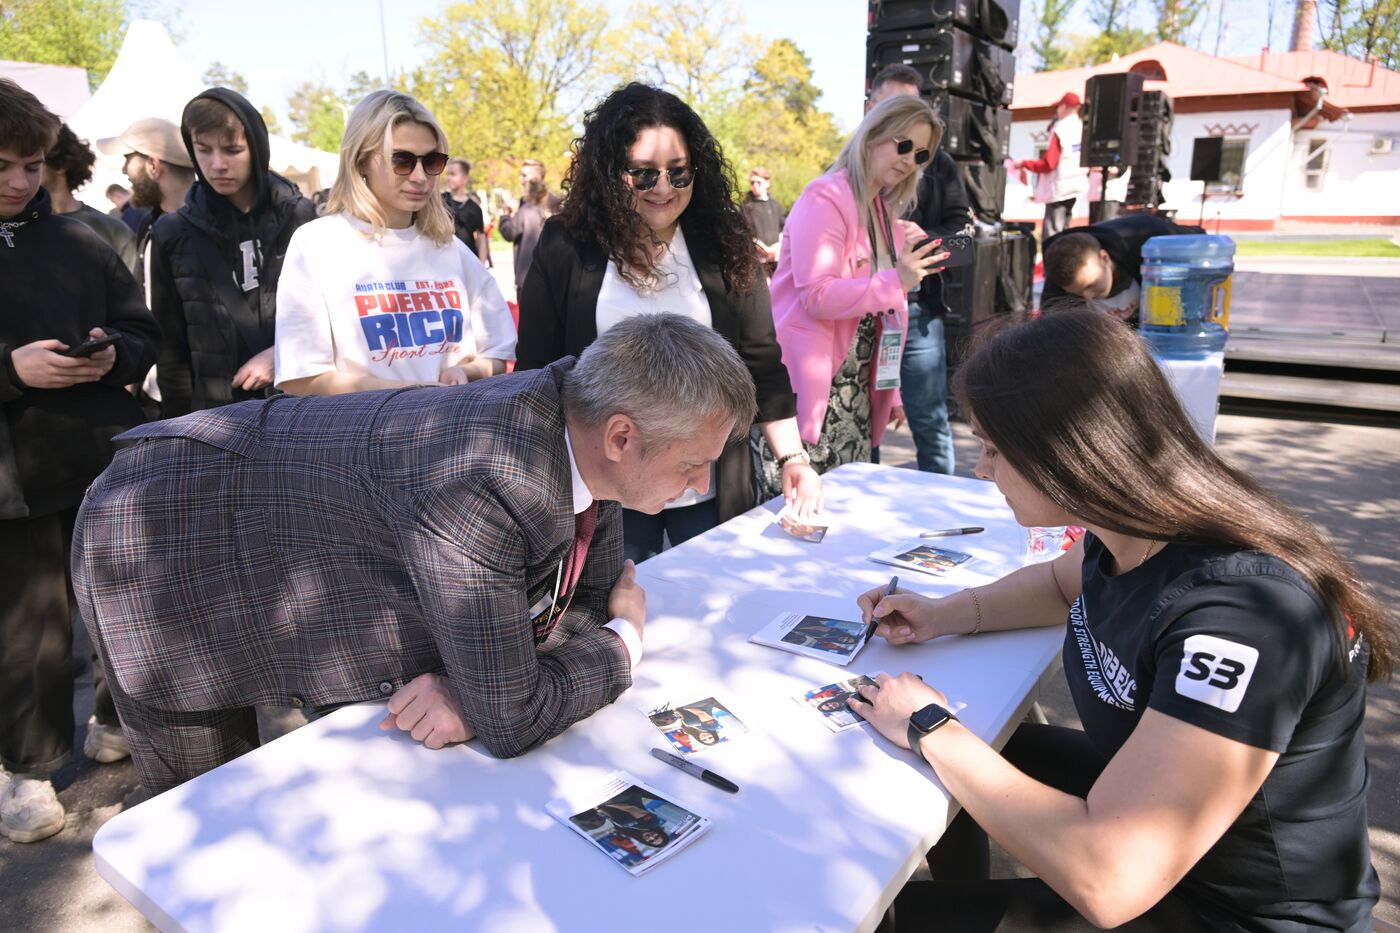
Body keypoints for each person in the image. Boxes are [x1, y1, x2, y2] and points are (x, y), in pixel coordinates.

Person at [851, 308, 1390, 930]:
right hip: (1162, 841)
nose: (981, 468)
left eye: (995, 448)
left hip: (1238, 914)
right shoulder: (1134, 528)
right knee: (974, 753)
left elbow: (1109, 879)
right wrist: (941, 614)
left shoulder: (1240, 616)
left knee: (888, 913)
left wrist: (929, 726)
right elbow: (1058, 584)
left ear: (1070, 452)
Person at [74, 313, 758, 794]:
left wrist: (488, 683)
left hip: (263, 526)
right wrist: (624, 643)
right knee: (209, 824)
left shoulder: (586, 421)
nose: (700, 485)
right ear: (621, 436)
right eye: (694, 464)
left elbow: (577, 605)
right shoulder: (483, 477)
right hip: (158, 538)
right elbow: (520, 711)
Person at [516, 83, 820, 563]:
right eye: (643, 174)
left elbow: (761, 361)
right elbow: (537, 371)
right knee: (618, 614)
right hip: (606, 494)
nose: (663, 188)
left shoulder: (726, 243)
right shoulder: (566, 244)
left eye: (679, 174)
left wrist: (794, 459)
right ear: (608, 171)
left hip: (710, 485)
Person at [0, 79, 160, 842]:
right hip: (13, 480)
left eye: (31, 165)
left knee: (120, 603)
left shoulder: (78, 239)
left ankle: (114, 716)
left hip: (98, 457)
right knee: (32, 630)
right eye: (3, 165)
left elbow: (141, 329)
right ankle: (27, 772)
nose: (20, 181)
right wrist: (12, 369)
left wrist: (112, 356)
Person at [274, 90, 516, 396]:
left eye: (432, 161)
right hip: (364, 439)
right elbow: (302, 378)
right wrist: (407, 393)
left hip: (451, 435)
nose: (420, 176)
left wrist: (466, 372)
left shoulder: (449, 248)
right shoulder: (317, 245)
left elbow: (498, 352)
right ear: (361, 161)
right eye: (401, 160)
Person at [766, 93, 945, 486]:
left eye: (920, 155)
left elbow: (886, 316)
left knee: (840, 519)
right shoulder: (825, 196)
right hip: (811, 395)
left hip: (854, 396)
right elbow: (817, 295)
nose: (908, 159)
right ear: (872, 134)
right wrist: (897, 280)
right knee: (797, 521)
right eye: (903, 145)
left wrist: (889, 389)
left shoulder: (882, 213)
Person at [148, 88, 318, 418]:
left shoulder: (303, 218)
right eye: (203, 150)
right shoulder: (171, 232)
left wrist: (281, 355)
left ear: (256, 147)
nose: (217, 164)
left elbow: (336, 322)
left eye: (232, 149)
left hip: (303, 408)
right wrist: (180, 430)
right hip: (217, 418)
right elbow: (171, 349)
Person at [867, 63, 973, 476]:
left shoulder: (937, 163)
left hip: (918, 315)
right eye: (890, 108)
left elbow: (963, 240)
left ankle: (941, 510)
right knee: (864, 425)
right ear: (870, 108)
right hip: (861, 318)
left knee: (928, 420)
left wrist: (919, 241)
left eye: (910, 109)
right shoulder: (845, 171)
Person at [1040, 213, 1205, 323]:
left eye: (1091, 285)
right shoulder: (1057, 288)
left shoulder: (1149, 240)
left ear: (1104, 258)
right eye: (1077, 293)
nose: (1088, 296)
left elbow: (1199, 242)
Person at [40, 124, 138, 274]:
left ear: (60, 165)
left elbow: (134, 292)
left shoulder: (114, 231)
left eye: (35, 163)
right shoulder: (15, 232)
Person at [1007, 91, 1089, 243]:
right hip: (1074, 186)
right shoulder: (1081, 128)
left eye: (1058, 107)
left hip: (1058, 189)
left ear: (1064, 107)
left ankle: (1052, 265)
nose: (1056, 111)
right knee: (1065, 232)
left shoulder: (1061, 129)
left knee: (1052, 236)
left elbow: (1049, 164)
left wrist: (1024, 163)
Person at [499, 175, 554, 290]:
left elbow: (509, 233)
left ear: (531, 193)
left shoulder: (526, 211)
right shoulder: (549, 210)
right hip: (549, 272)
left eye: (525, 190)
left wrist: (505, 216)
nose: (523, 193)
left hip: (527, 273)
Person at [441, 156, 489, 263]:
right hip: (444, 261)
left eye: (453, 174)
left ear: (465, 178)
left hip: (468, 261)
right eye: (447, 174)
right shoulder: (440, 201)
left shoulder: (474, 208)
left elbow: (481, 239)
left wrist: (481, 267)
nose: (448, 178)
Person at [740, 166, 784, 277]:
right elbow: (744, 233)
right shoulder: (746, 206)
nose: (755, 186)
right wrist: (765, 250)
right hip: (757, 261)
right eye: (752, 183)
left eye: (758, 182)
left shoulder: (776, 205)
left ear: (767, 183)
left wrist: (776, 248)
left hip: (777, 259)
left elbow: (784, 229)